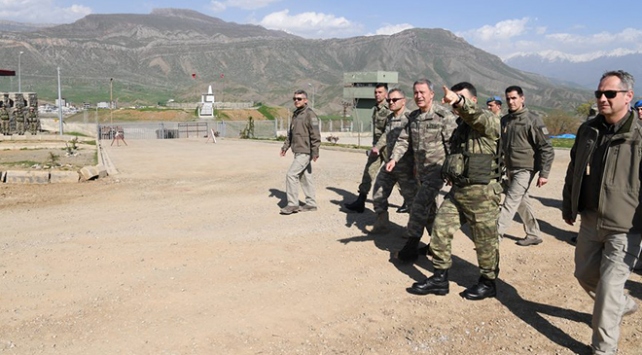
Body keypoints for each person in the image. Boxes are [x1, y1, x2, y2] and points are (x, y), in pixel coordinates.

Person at [562, 70, 641, 355]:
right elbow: (573, 168)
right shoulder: (588, 130)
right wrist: (568, 204)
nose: (602, 99)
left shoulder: (639, 135)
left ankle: (603, 349)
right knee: (584, 274)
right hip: (591, 218)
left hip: (626, 225)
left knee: (608, 288)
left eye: (610, 94)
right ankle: (624, 304)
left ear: (628, 97)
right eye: (599, 94)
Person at [408, 82, 503, 300]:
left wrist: (458, 101)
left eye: (460, 97)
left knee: (485, 241)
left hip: (483, 194)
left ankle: (488, 282)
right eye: (453, 96)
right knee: (440, 230)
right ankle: (440, 278)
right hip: (459, 192)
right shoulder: (460, 127)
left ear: (473, 101)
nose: (453, 100)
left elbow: (476, 115)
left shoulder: (488, 120)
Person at [386, 79, 457, 262]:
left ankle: (410, 248)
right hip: (420, 173)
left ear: (431, 94)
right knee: (430, 211)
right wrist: (394, 158)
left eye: (422, 92)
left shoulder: (443, 116)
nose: (418, 96)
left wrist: (452, 172)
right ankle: (437, 247)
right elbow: (404, 140)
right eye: (416, 92)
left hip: (437, 171)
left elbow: (453, 146)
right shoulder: (413, 117)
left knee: (418, 206)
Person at [496, 86, 554, 246]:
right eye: (508, 98)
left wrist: (544, 173)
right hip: (510, 168)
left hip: (526, 169)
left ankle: (494, 237)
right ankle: (534, 234)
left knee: (510, 201)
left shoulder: (533, 120)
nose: (511, 101)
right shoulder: (505, 120)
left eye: (514, 98)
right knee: (522, 201)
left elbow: (547, 148)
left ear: (522, 99)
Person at [367, 88, 417, 233]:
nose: (391, 102)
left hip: (406, 167)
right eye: (389, 100)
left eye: (394, 100)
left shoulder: (410, 118)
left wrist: (415, 164)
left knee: (411, 199)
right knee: (378, 192)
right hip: (390, 164)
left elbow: (415, 142)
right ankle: (382, 222)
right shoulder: (390, 118)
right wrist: (377, 147)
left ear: (403, 101)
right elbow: (385, 135)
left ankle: (412, 229)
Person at [344, 84, 394, 213]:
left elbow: (388, 132)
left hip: (389, 147)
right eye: (375, 92)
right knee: (368, 172)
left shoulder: (389, 109)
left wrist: (378, 146)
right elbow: (376, 131)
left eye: (380, 92)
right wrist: (374, 146)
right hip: (377, 147)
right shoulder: (375, 109)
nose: (377, 94)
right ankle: (361, 200)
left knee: (397, 175)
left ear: (386, 94)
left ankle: (408, 201)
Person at [279, 90, 321, 215]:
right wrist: (285, 147)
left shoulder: (310, 115)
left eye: (299, 99)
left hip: (305, 151)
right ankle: (311, 203)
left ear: (306, 100)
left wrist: (315, 151)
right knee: (305, 177)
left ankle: (292, 204)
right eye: (295, 99)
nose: (296, 101)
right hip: (297, 150)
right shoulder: (296, 114)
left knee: (291, 175)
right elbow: (291, 133)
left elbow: (315, 135)